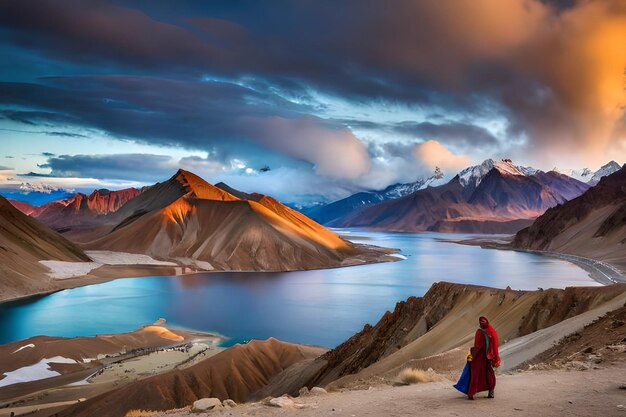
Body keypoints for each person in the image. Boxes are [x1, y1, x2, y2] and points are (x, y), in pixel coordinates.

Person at [467, 316, 500, 400]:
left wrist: (473, 354)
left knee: (476, 373)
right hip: (487, 356)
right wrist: (495, 357)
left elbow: (477, 346)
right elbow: (494, 346)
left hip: (481, 357)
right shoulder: (491, 331)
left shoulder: (480, 332)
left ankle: (471, 394)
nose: (482, 324)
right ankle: (490, 393)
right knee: (488, 373)